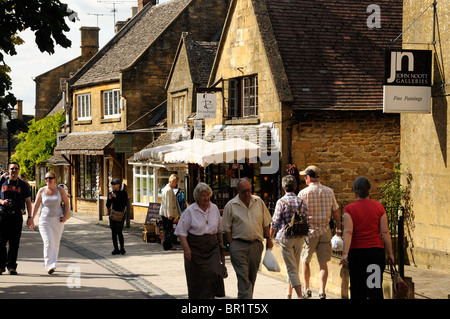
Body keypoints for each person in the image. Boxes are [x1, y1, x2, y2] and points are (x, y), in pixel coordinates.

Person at [340, 176, 394, 299]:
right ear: (369, 190)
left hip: (357, 254)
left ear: (355, 192)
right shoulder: (379, 207)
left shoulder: (349, 209)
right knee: (374, 289)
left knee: (358, 289)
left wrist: (345, 254)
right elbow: (385, 232)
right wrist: (390, 253)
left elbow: (348, 232)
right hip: (375, 254)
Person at [222, 177, 273, 299]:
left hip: (256, 244)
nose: (247, 194)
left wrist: (269, 239)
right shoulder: (231, 205)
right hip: (239, 245)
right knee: (243, 278)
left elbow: (266, 222)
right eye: (244, 191)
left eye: (249, 190)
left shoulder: (258, 201)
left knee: (251, 277)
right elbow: (226, 228)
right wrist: (232, 245)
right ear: (238, 191)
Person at [174, 182, 225, 298]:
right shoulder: (190, 211)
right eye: (203, 195)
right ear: (197, 197)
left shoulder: (214, 208)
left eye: (208, 195)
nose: (206, 198)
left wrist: (221, 246)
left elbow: (218, 229)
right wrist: (186, 250)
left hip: (212, 247)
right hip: (195, 249)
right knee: (198, 279)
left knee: (213, 273)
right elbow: (181, 232)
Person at [298, 165, 341, 299]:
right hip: (325, 230)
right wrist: (338, 228)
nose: (304, 179)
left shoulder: (303, 193)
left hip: (310, 232)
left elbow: (299, 213)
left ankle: (307, 289)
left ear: (309, 178)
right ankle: (322, 292)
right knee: (323, 264)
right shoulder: (329, 191)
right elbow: (336, 211)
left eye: (305, 177)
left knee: (305, 261)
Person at [270, 175, 308, 299]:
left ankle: (300, 296)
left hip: (285, 237)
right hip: (300, 237)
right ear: (296, 187)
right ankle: (289, 292)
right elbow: (306, 220)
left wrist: (270, 236)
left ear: (283, 187)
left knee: (291, 268)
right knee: (294, 267)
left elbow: (275, 222)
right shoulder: (302, 202)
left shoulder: (281, 202)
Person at [29, 171, 70, 274]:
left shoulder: (60, 190)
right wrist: (31, 219)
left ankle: (53, 263)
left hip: (58, 220)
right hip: (44, 220)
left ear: (54, 179)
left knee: (56, 243)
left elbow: (67, 203)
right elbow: (36, 205)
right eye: (46, 178)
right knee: (48, 242)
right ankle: (49, 265)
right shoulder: (41, 190)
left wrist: (65, 216)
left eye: (50, 178)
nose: (48, 180)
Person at [0, 162, 32, 275]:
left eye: (16, 169)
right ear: (8, 170)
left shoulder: (23, 184)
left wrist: (30, 217)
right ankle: (1, 266)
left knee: (14, 243)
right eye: (12, 169)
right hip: (3, 215)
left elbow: (28, 201)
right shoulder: (2, 181)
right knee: (1, 242)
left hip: (16, 216)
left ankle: (12, 266)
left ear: (18, 170)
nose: (14, 170)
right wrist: (2, 202)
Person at [106, 178, 128, 255]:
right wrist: (109, 199)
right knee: (113, 232)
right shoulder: (111, 193)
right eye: (112, 184)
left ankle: (122, 248)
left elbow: (124, 204)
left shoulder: (123, 193)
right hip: (113, 214)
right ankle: (116, 248)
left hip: (120, 214)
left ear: (118, 185)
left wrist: (116, 197)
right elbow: (108, 205)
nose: (113, 186)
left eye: (114, 184)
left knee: (119, 232)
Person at [159, 174, 181, 251]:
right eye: (176, 182)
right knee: (168, 229)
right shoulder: (168, 190)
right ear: (173, 181)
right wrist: (170, 215)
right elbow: (169, 204)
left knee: (167, 229)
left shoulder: (166, 188)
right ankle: (167, 245)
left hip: (164, 213)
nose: (176, 184)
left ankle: (167, 245)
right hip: (167, 213)